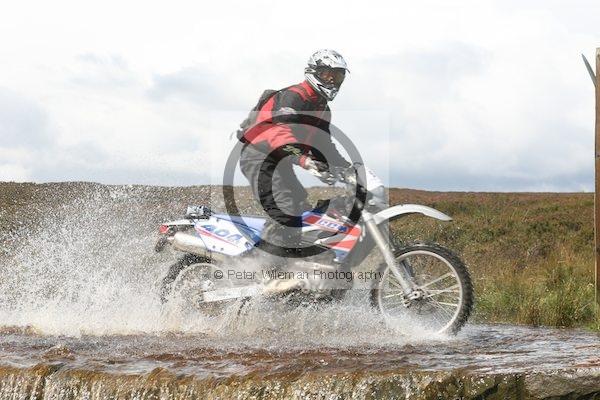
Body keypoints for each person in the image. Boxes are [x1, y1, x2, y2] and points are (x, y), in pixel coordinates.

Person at [237, 49, 352, 293]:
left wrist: (351, 170)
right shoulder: (293, 97)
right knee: (285, 208)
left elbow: (324, 145)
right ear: (314, 72)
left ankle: (294, 273)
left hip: (281, 162)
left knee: (301, 210)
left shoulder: (322, 109)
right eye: (328, 74)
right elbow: (279, 133)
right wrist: (302, 159)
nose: (332, 80)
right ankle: (269, 273)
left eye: (338, 76)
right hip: (258, 156)